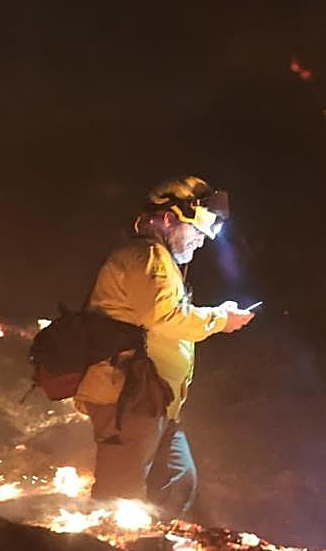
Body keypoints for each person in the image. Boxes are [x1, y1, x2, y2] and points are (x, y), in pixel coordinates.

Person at [75, 175, 255, 518]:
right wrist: (220, 320)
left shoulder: (160, 261)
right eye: (198, 233)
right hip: (126, 397)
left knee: (177, 477)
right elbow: (166, 317)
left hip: (152, 400)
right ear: (169, 219)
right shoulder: (147, 256)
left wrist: (218, 316)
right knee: (119, 495)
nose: (201, 243)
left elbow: (167, 316)